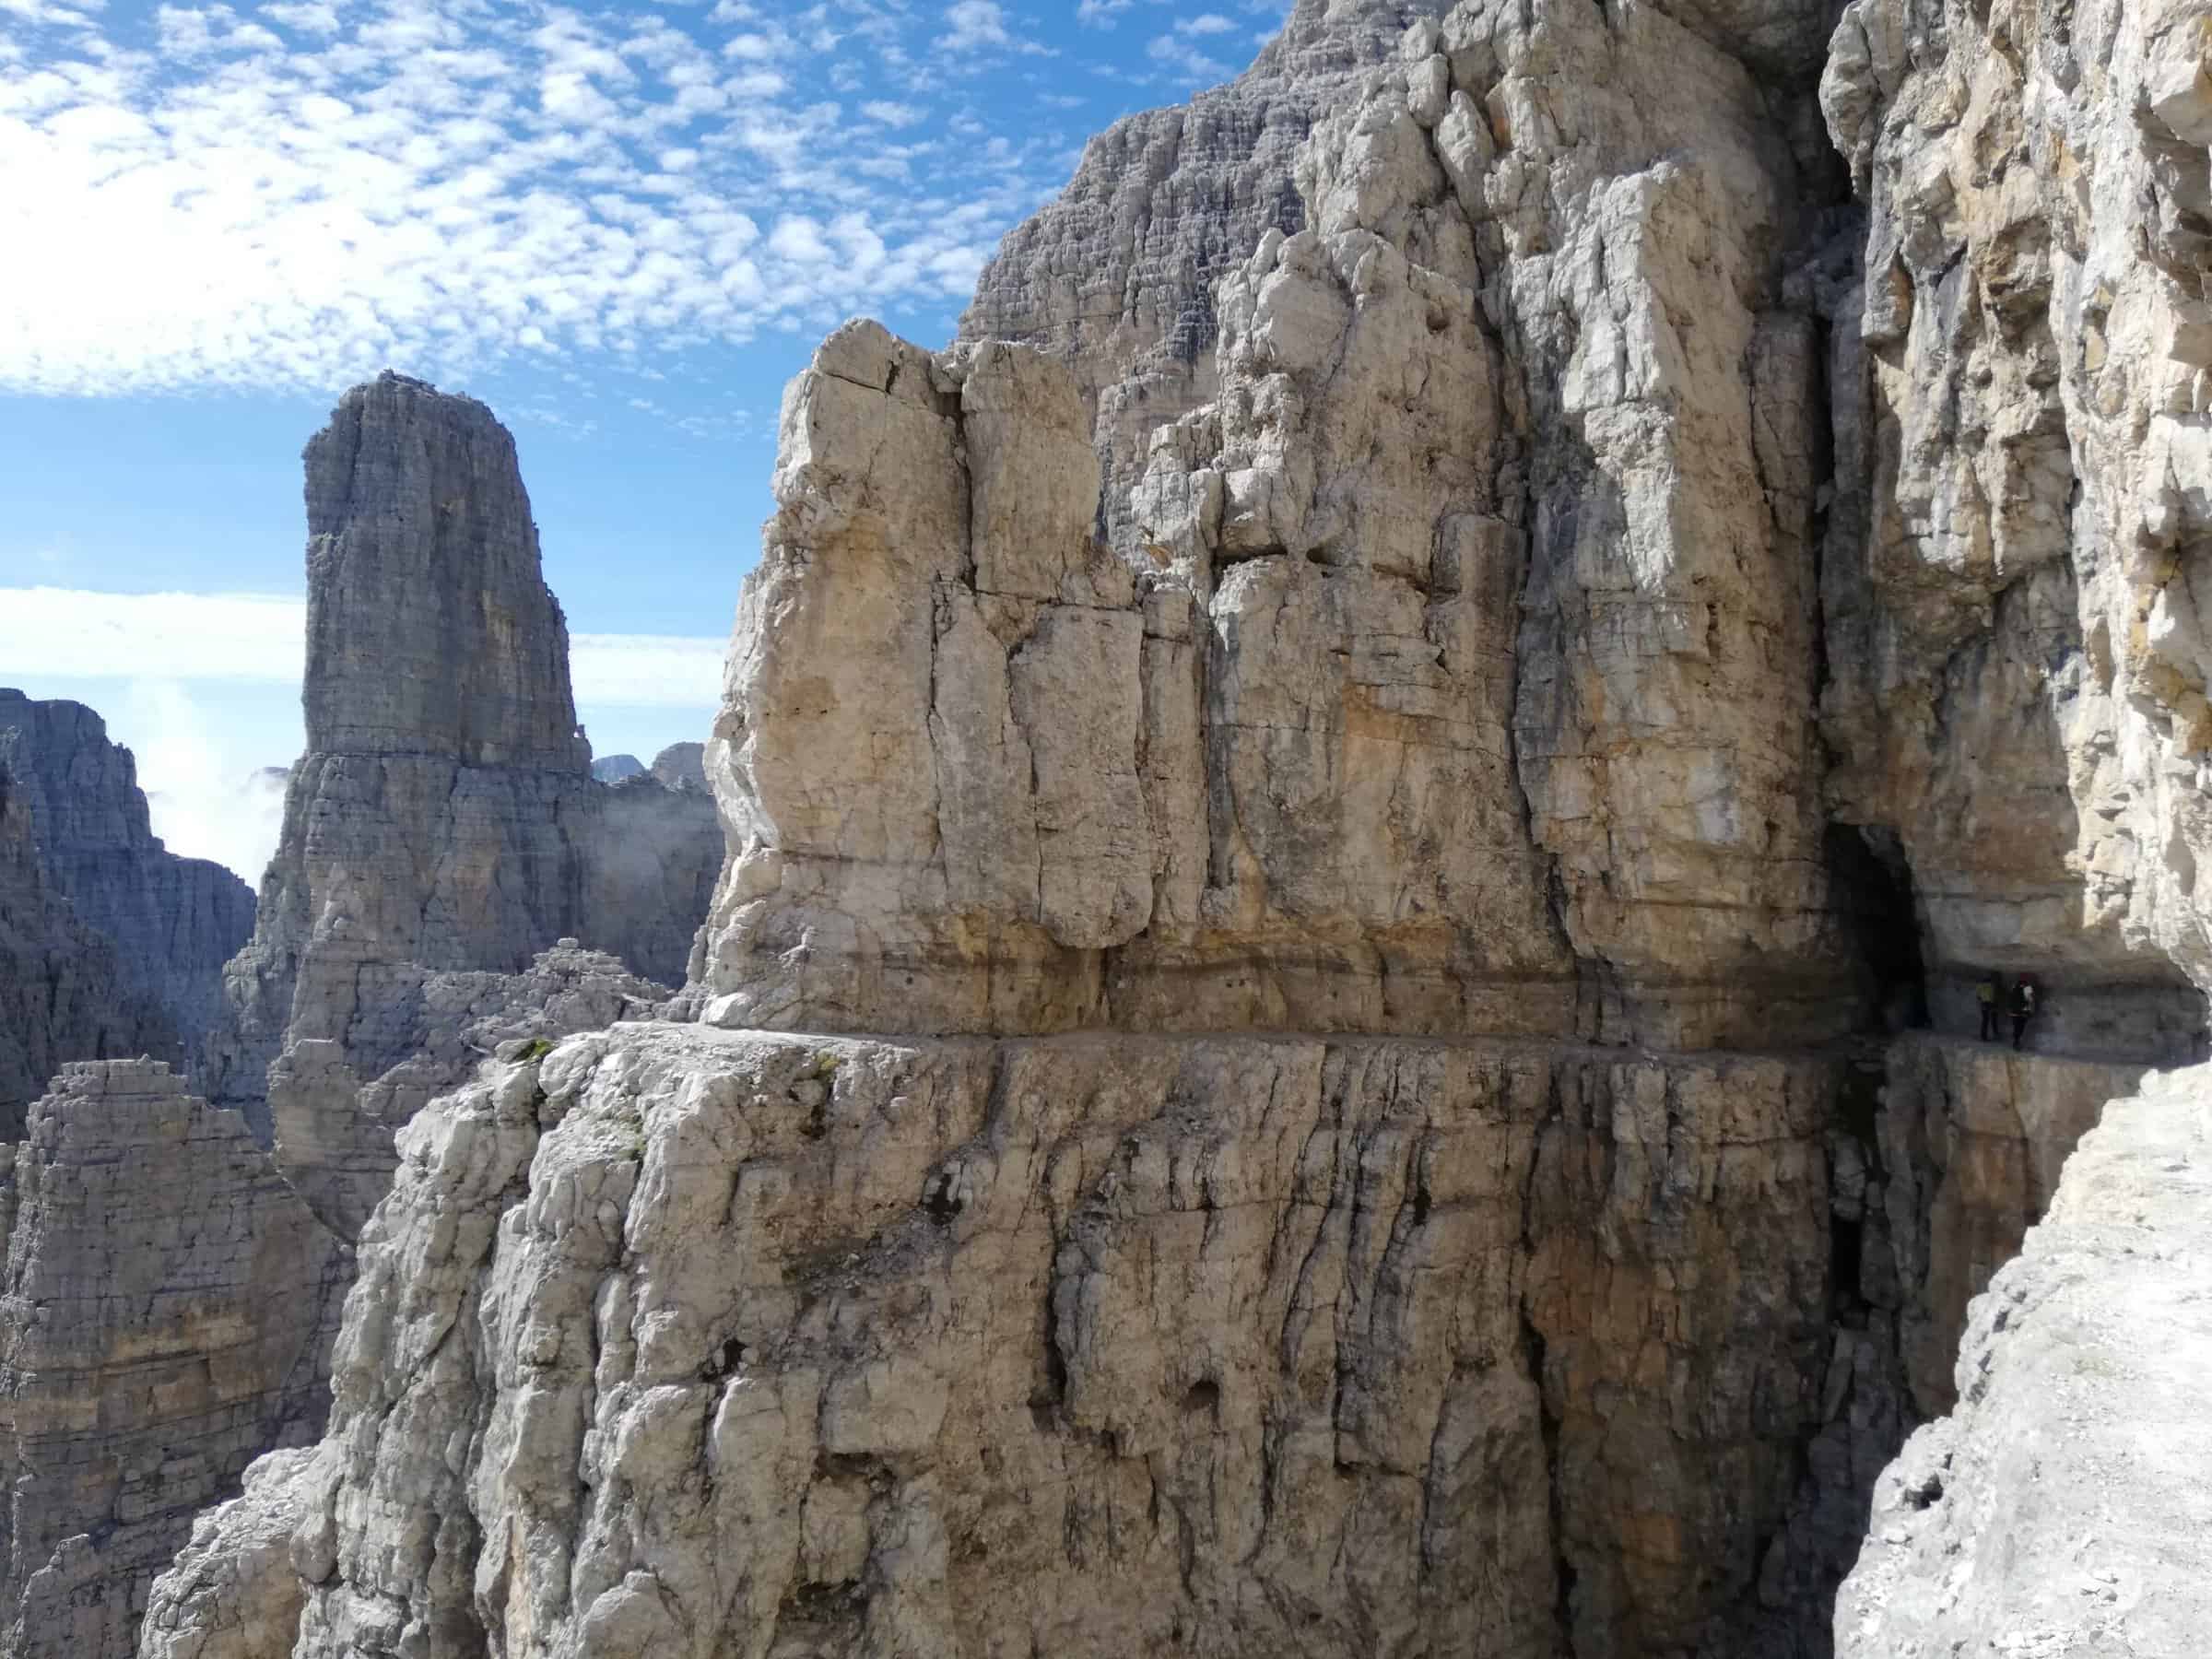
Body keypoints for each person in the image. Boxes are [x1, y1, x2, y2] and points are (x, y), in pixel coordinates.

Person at [2008, 974, 2039, 1051]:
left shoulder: (2014, 986)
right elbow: (2031, 1000)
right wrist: (2031, 1010)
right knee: (2021, 1027)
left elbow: (2011, 997)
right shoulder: (2028, 987)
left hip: (2014, 1011)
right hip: (2023, 1011)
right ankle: (2017, 1043)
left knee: (2016, 1026)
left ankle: (2016, 1042)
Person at [1977, 971, 2001, 1041]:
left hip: (1983, 1004)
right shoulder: (1992, 986)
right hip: (1991, 1003)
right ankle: (1996, 1034)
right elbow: (1994, 996)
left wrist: (1982, 999)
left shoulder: (1980, 985)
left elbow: (1978, 996)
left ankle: (1983, 1036)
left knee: (1985, 1020)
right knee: (1994, 1018)